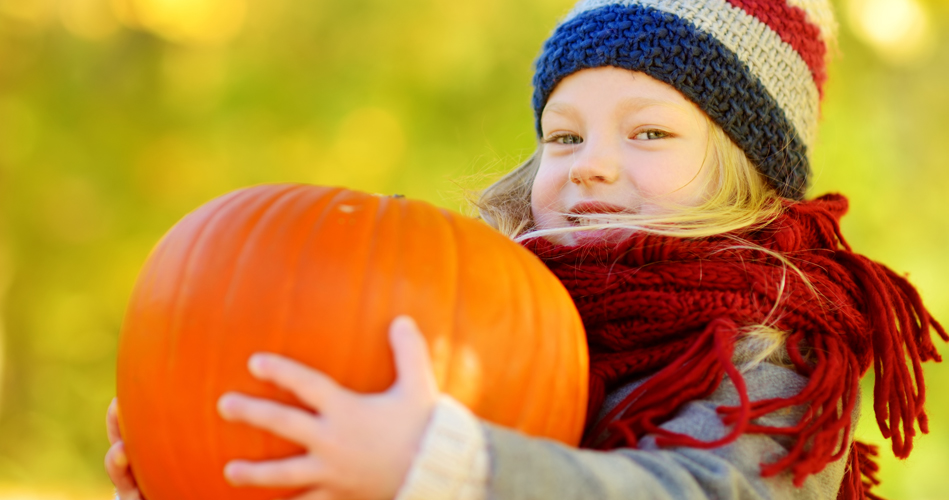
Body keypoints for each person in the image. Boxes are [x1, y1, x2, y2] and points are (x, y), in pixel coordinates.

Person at [105, 0, 948, 498]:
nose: (592, 165)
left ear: (748, 174)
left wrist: (447, 462)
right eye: (564, 136)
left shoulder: (768, 336)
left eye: (648, 131)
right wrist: (210, 468)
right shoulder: (502, 310)